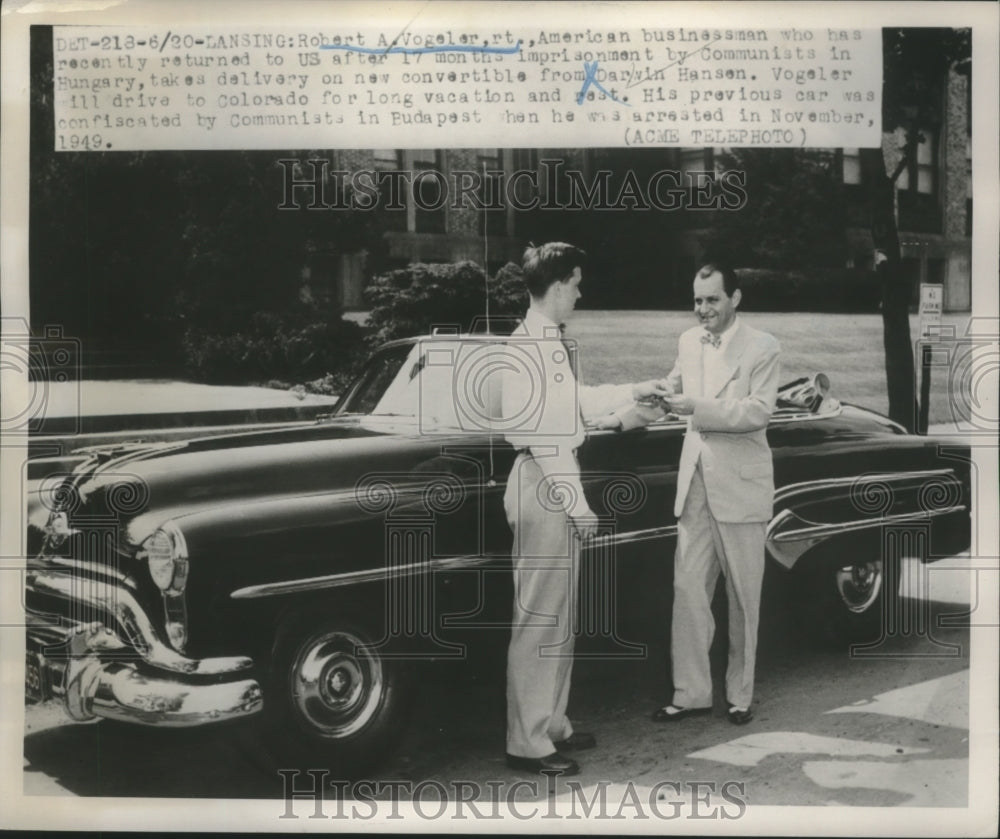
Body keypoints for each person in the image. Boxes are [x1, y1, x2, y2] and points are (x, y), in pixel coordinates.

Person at [501, 242, 669, 776]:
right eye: (576, 282)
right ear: (556, 286)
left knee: (560, 618)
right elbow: (545, 435)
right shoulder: (530, 346)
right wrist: (577, 504)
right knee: (539, 619)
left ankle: (551, 726)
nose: (580, 291)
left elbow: (577, 401)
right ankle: (527, 742)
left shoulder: (545, 342)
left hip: (549, 480)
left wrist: (637, 391)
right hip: (545, 483)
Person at [647, 263, 781, 726]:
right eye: (697, 300)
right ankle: (690, 693)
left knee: (744, 595)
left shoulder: (763, 347)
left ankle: (740, 694)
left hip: (740, 486)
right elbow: (671, 388)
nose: (702, 309)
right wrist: (632, 408)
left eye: (712, 300)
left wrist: (697, 408)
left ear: (735, 299)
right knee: (687, 588)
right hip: (696, 484)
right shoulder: (688, 341)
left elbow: (758, 412)